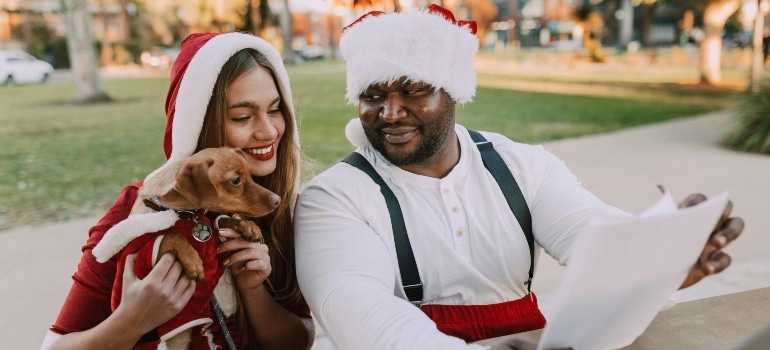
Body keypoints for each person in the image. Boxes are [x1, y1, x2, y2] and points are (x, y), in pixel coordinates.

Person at [293, 5, 744, 349]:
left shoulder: (522, 165)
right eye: (373, 95)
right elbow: (359, 313)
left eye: (413, 90)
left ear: (453, 90)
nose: (390, 112)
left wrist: (663, 258)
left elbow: (597, 238)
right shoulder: (333, 198)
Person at [43, 32, 313, 350]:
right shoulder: (141, 208)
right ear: (197, 122)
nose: (268, 130)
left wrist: (253, 290)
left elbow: (298, 342)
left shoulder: (283, 209)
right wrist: (132, 320)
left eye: (276, 110)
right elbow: (55, 346)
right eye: (243, 117)